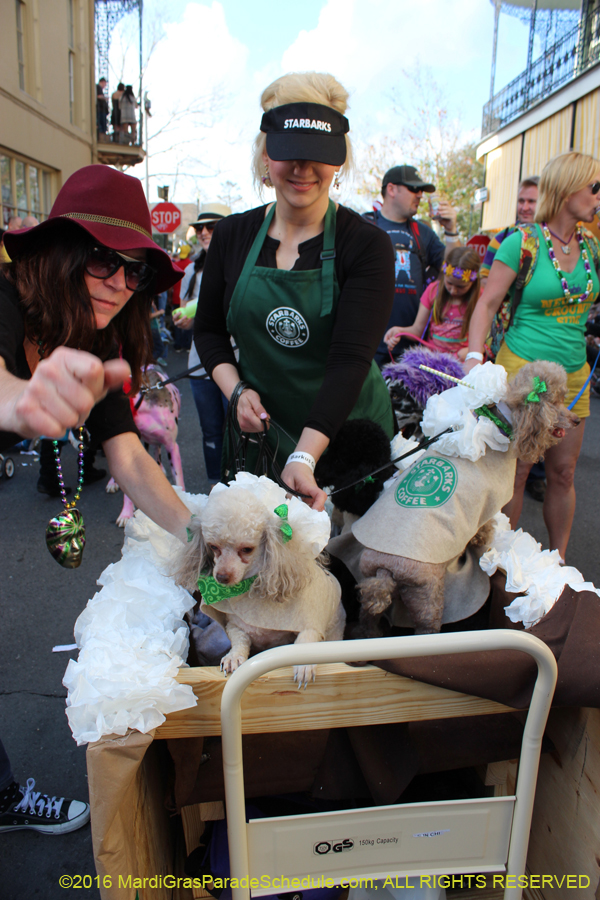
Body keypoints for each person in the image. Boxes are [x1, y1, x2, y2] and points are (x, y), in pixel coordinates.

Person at [0, 164, 194, 834]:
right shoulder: (4, 298)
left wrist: (204, 537)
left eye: (134, 269)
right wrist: (20, 403)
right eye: (103, 260)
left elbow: (129, 458)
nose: (119, 281)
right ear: (59, 255)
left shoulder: (96, 334)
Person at [194, 72, 395, 510]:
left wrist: (305, 455)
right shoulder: (231, 235)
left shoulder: (365, 244)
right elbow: (207, 331)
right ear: (266, 154)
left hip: (346, 436)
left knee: (350, 567)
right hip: (262, 432)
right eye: (290, 154)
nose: (303, 170)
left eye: (317, 156)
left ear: (337, 161)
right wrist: (237, 392)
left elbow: (350, 359)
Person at [465, 150, 600, 560]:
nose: (598, 195)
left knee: (562, 473)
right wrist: (473, 357)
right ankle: (497, 563)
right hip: (521, 377)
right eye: (593, 187)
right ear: (566, 188)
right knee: (516, 474)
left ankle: (556, 565)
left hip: (574, 379)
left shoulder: (592, 245)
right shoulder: (521, 243)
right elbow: (486, 304)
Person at [365, 165, 460, 365]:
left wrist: (451, 230)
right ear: (391, 189)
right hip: (367, 347)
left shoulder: (423, 232)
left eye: (421, 191)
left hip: (412, 348)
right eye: (413, 189)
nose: (419, 195)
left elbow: (454, 272)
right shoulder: (364, 225)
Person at [173, 203, 231, 483]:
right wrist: (184, 321)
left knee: (236, 429)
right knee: (210, 430)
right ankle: (217, 487)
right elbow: (183, 312)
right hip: (199, 363)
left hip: (235, 361)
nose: (204, 233)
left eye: (212, 227)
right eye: (200, 228)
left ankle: (240, 486)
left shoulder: (240, 265)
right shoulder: (191, 272)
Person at [384, 247, 482, 361]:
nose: (453, 290)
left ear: (473, 282)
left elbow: (488, 340)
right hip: (433, 360)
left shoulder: (481, 298)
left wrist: (473, 351)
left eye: (461, 287)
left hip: (463, 362)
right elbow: (417, 330)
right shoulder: (433, 291)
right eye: (449, 283)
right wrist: (399, 331)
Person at [480, 176, 540, 284]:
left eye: (531, 201)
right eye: (521, 201)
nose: (524, 208)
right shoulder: (500, 239)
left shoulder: (553, 237)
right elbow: (484, 279)